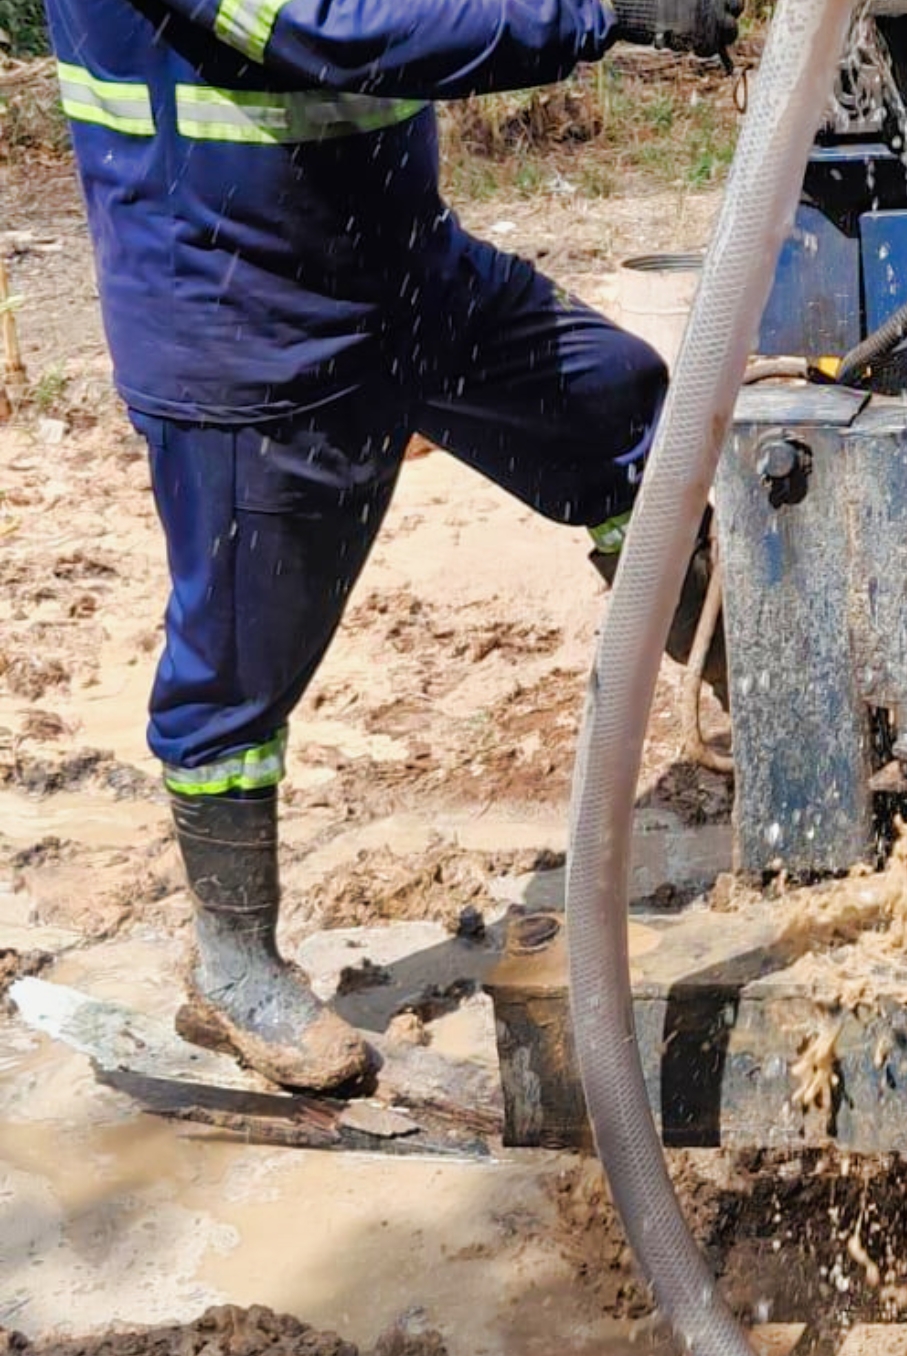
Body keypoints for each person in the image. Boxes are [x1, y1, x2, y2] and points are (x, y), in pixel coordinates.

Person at [41, 0, 736, 1091]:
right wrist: (607, 10)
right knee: (240, 658)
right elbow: (332, 26)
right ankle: (233, 966)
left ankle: (768, 718)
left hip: (408, 275)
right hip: (245, 322)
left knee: (618, 416)